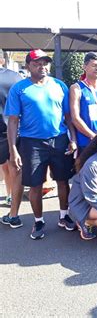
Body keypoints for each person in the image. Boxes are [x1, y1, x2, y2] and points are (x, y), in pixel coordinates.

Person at [5, 49, 77, 239]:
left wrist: (73, 139)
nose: (42, 67)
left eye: (45, 63)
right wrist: (13, 149)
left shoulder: (60, 85)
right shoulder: (19, 89)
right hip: (31, 143)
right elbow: (13, 121)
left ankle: (64, 216)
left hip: (59, 139)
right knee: (35, 185)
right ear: (28, 66)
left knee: (63, 180)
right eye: (37, 63)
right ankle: (38, 221)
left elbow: (68, 117)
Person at [70, 52, 97, 152]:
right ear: (84, 67)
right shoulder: (76, 89)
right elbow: (75, 118)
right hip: (86, 142)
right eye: (94, 65)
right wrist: (93, 136)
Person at [0, 49, 24, 228]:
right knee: (14, 169)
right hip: (10, 130)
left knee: (8, 168)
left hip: (8, 130)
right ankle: (14, 213)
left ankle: (10, 199)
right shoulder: (16, 78)